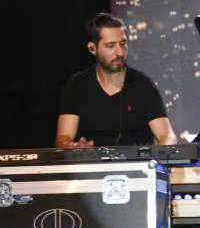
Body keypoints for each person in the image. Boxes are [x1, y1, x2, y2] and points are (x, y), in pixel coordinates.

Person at [56, 12, 178, 149]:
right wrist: (75, 146)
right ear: (92, 48)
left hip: (136, 162)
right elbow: (63, 138)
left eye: (123, 44)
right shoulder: (77, 85)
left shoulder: (143, 84)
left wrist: (161, 154)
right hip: (91, 162)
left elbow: (167, 135)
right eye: (111, 46)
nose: (119, 52)